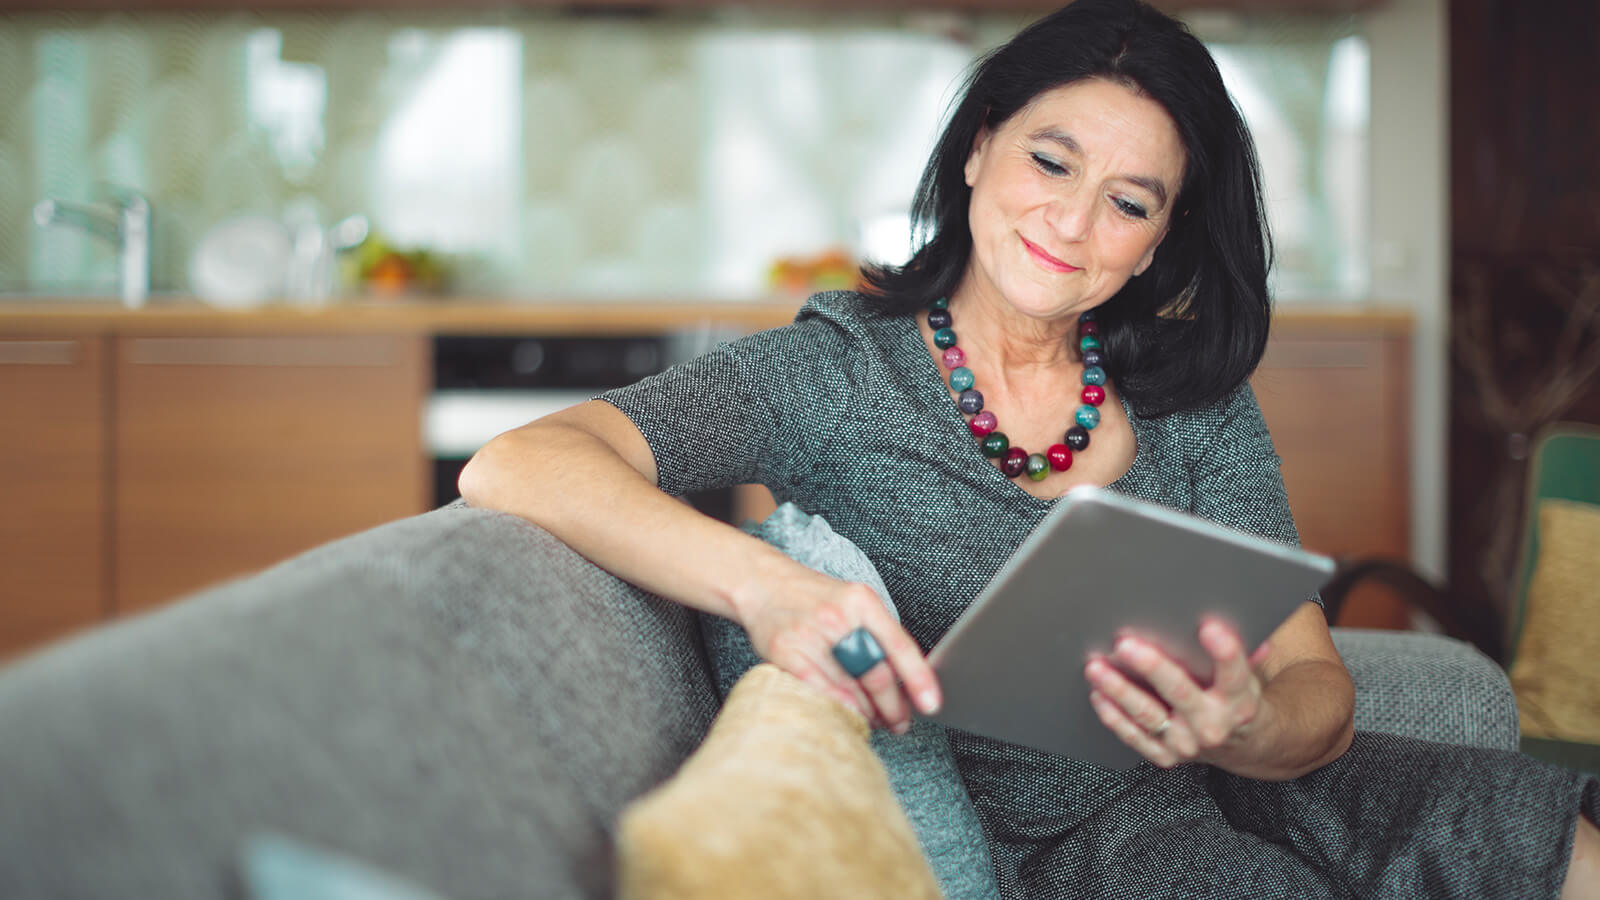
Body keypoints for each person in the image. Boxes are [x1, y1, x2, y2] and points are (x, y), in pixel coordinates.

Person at [460, 0, 1600, 895]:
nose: (1071, 223)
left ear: (1158, 241)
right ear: (976, 150)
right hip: (1087, 852)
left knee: (1555, 845)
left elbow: (1318, 693)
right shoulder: (833, 375)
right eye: (1051, 163)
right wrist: (774, 592)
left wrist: (1246, 725)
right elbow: (518, 460)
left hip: (1266, 788)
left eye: (1129, 202)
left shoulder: (1192, 396)